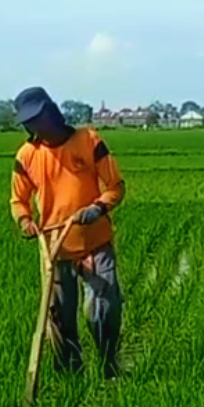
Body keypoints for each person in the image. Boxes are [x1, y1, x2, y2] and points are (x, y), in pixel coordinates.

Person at [10, 87, 125, 379]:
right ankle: (70, 375)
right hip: (53, 245)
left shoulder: (88, 140)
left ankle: (109, 362)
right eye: (29, 122)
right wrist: (25, 221)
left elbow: (115, 186)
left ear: (52, 112)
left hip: (93, 240)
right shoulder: (27, 155)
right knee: (58, 316)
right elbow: (18, 199)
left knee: (102, 307)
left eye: (38, 118)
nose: (35, 126)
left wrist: (98, 208)